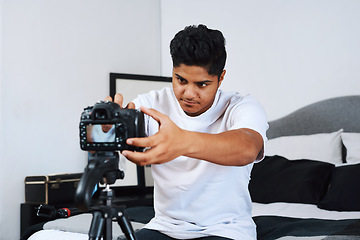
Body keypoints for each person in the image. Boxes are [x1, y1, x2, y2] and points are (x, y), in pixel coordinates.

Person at [108, 24, 268, 240]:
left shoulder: (241, 107)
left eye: (202, 84)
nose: (189, 94)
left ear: (221, 78)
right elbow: (123, 131)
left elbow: (247, 148)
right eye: (180, 80)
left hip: (225, 230)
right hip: (163, 227)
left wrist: (182, 141)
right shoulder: (152, 103)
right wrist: (109, 127)